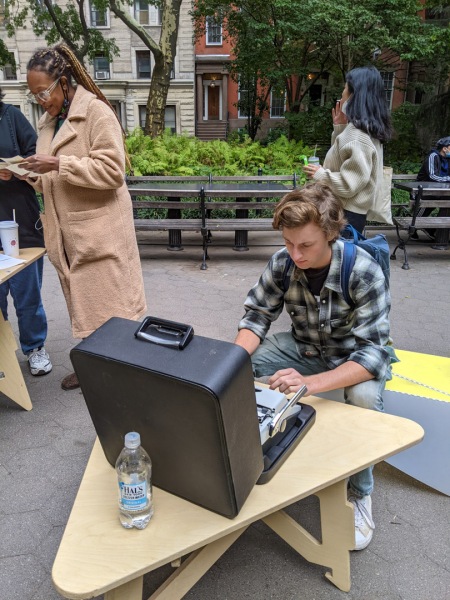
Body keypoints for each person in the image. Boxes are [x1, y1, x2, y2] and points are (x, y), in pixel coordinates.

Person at [235, 183, 392, 551]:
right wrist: (228, 368)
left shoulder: (364, 272)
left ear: (331, 233)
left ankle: (360, 494)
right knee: (241, 366)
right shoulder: (282, 261)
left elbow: (372, 355)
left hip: (352, 356)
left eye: (305, 245)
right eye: (288, 243)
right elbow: (256, 317)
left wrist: (308, 383)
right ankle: (248, 452)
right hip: (304, 348)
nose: (295, 254)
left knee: (366, 397)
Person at [20, 44, 147, 391]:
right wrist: (26, 173)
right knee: (85, 305)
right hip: (68, 232)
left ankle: (125, 373)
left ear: (63, 82)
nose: (40, 100)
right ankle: (93, 365)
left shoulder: (97, 113)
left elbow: (112, 172)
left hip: (100, 231)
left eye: (43, 91)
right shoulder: (49, 121)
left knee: (114, 308)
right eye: (34, 95)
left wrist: (59, 164)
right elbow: (50, 174)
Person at [0, 88, 52, 376]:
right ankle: (3, 353)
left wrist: (21, 167)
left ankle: (35, 347)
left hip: (20, 219)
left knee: (27, 293)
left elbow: (39, 158)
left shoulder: (12, 117)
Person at [303, 66, 393, 233]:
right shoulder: (365, 130)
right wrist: (340, 129)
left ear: (354, 96)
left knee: (338, 257)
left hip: (344, 214)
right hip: (352, 214)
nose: (341, 95)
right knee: (345, 257)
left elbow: (349, 184)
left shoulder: (357, 134)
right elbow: (344, 160)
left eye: (345, 89)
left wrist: (320, 174)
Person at [414, 136, 450, 240]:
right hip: (425, 191)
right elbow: (432, 176)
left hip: (442, 191)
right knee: (430, 201)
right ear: (445, 148)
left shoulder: (448, 159)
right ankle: (413, 226)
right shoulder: (433, 156)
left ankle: (436, 229)